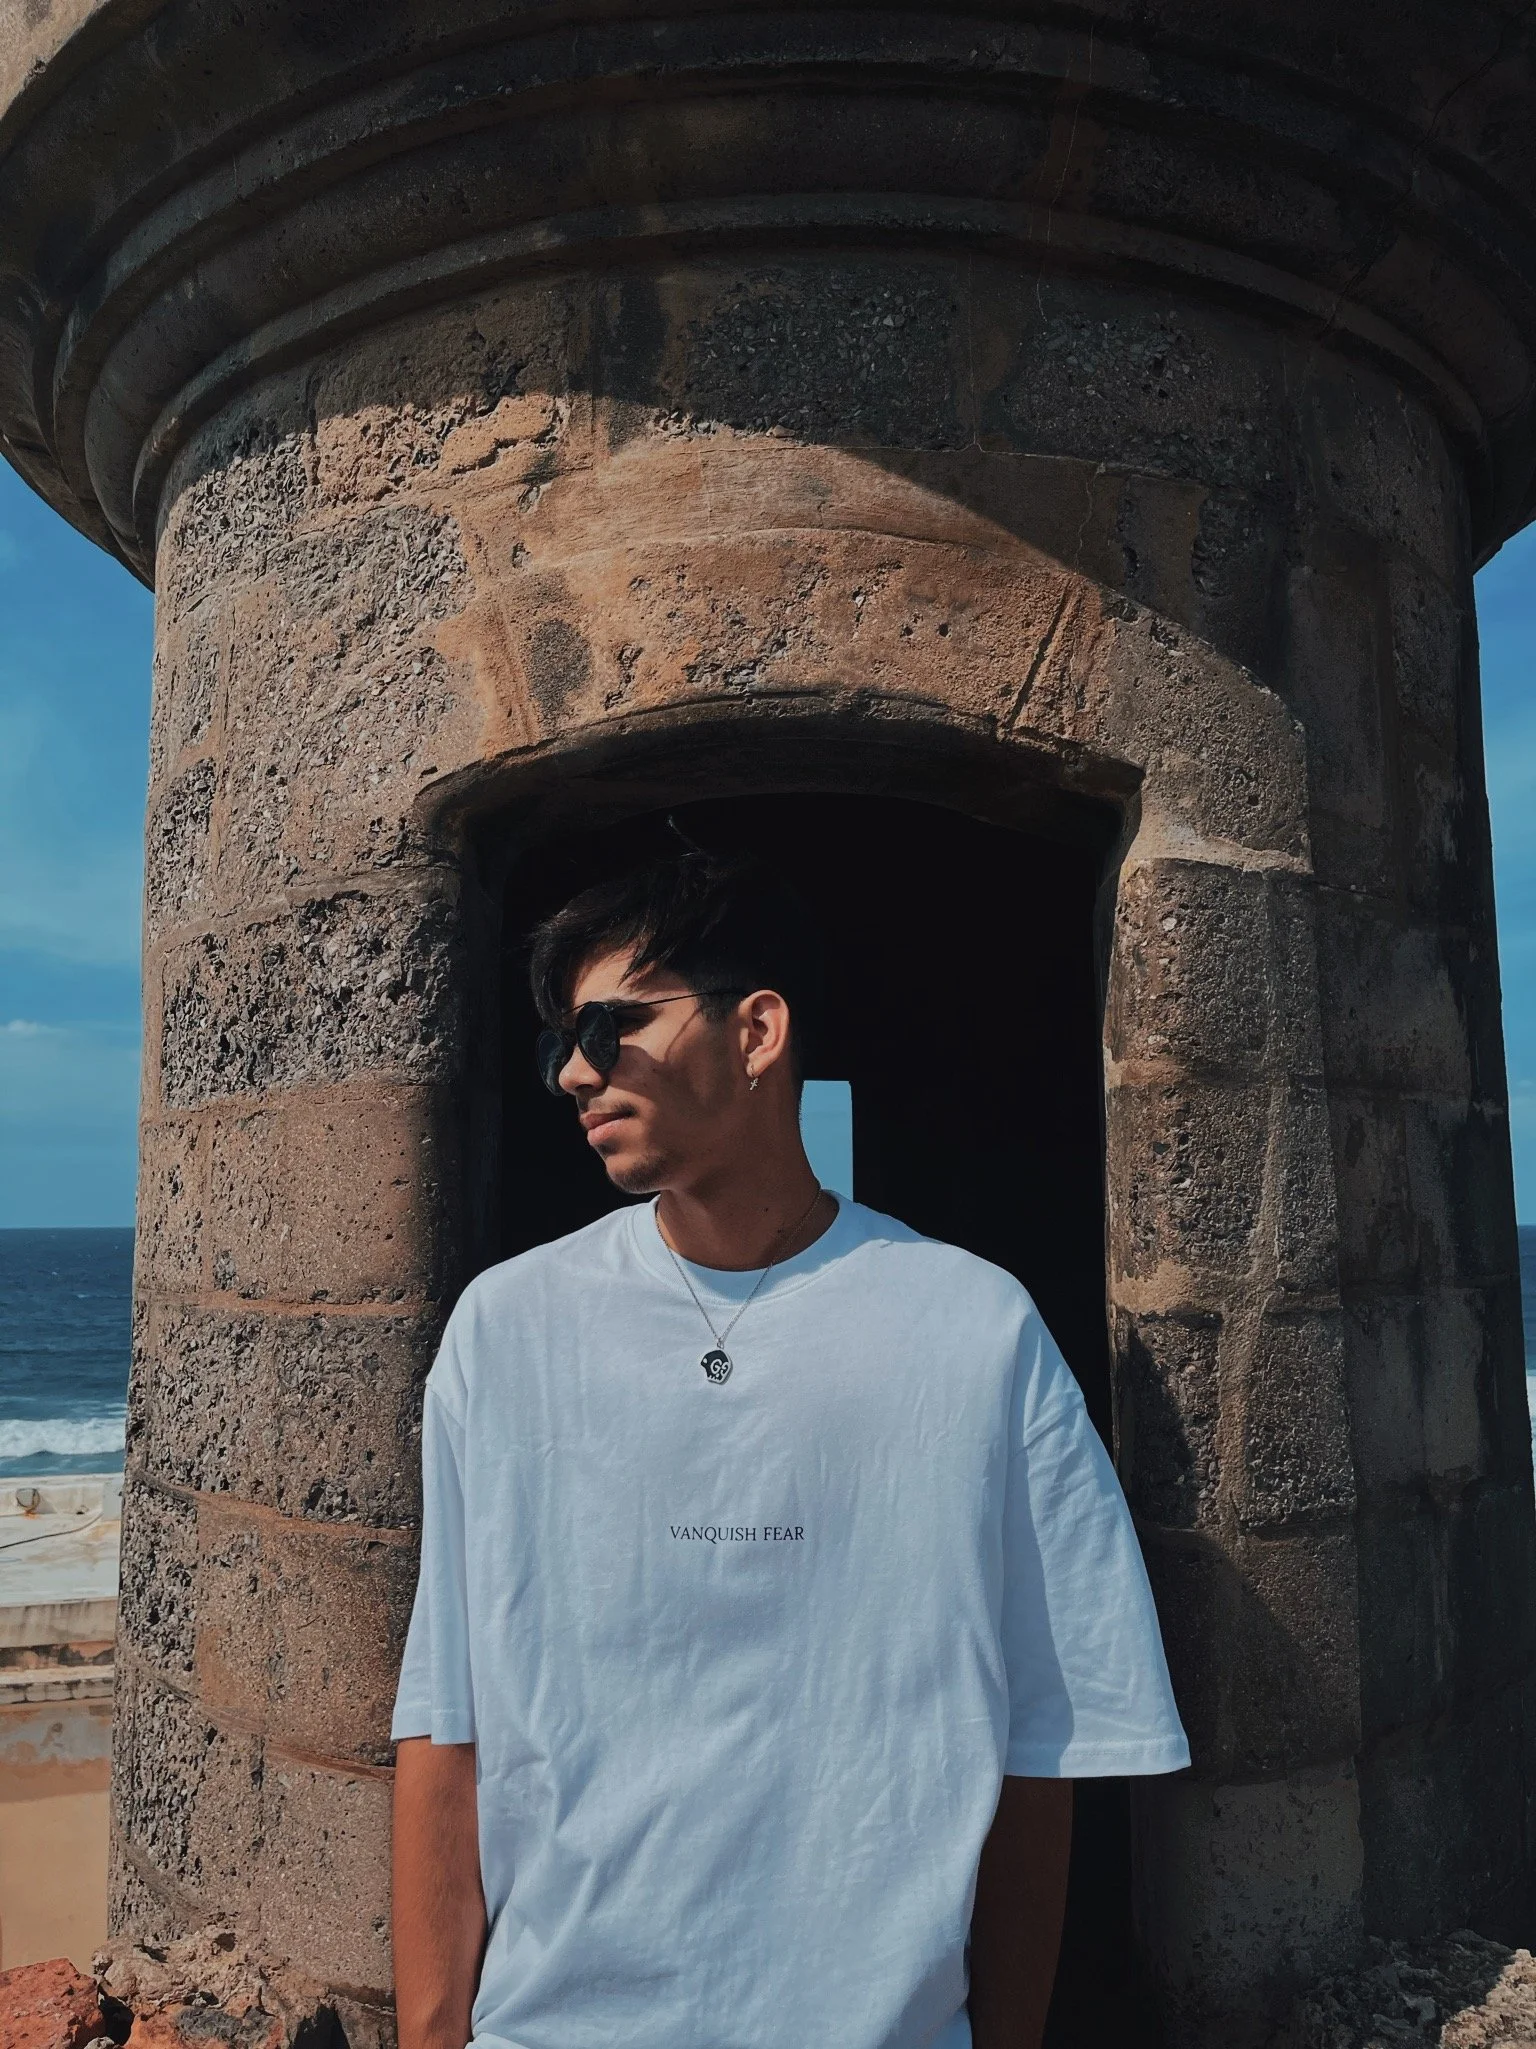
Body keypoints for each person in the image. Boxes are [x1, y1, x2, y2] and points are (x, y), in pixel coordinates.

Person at [390, 851, 1188, 2049]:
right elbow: (446, 1722)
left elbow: (1046, 1742)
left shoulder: (974, 1330)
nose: (574, 1072)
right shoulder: (506, 1332)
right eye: (562, 1041)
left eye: (610, 1027)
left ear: (757, 1031)